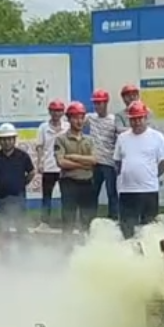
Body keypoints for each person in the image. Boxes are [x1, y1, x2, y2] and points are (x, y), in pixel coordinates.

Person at [114, 101, 164, 240]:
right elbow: (117, 161)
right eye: (133, 119)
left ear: (146, 118)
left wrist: (153, 174)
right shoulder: (122, 138)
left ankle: (148, 252)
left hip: (149, 190)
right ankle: (128, 252)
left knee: (148, 229)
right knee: (127, 228)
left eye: (140, 118)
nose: (137, 122)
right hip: (127, 191)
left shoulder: (157, 137)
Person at [0, 123, 36, 264]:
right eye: (3, 139)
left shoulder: (23, 156)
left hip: (18, 198)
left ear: (14, 139)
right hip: (2, 199)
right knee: (4, 231)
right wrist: (1, 184)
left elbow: (31, 172)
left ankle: (25, 259)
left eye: (9, 139)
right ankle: (5, 260)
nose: (6, 142)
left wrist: (21, 184)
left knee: (22, 229)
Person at [54, 102, 97, 244]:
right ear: (69, 119)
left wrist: (73, 157)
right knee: (68, 219)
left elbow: (94, 160)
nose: (79, 121)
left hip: (87, 183)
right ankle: (66, 248)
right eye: (75, 118)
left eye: (81, 117)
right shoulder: (61, 139)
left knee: (88, 219)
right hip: (69, 183)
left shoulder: (89, 140)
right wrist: (84, 165)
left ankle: (87, 248)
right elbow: (61, 162)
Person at [35, 99, 69, 230]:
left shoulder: (67, 126)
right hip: (49, 166)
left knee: (66, 196)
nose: (56, 113)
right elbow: (39, 146)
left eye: (59, 111)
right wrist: (39, 162)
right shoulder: (43, 128)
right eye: (54, 111)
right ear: (49, 112)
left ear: (63, 112)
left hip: (64, 167)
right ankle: (44, 222)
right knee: (46, 196)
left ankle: (67, 222)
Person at [86, 89, 119, 220]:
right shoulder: (90, 118)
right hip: (94, 162)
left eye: (100, 103)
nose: (97, 106)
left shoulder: (114, 120)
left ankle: (114, 218)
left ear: (106, 103)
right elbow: (74, 120)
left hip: (109, 162)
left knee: (112, 192)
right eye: (95, 103)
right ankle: (90, 219)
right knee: (92, 193)